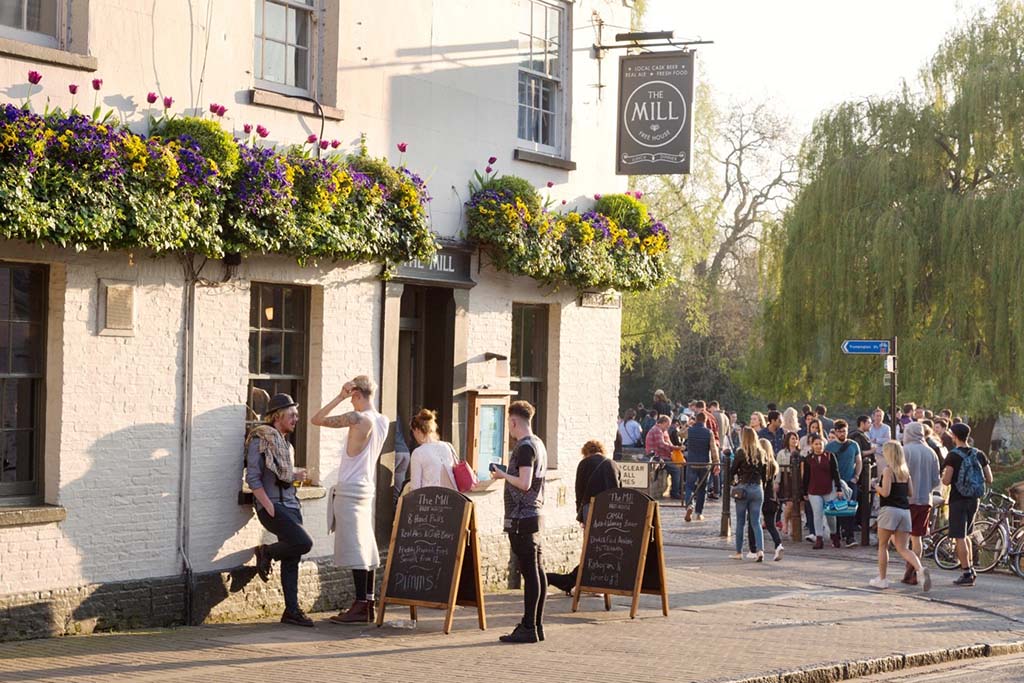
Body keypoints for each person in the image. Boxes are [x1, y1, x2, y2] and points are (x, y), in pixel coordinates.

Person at [313, 376, 389, 625]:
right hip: (367, 488)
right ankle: (368, 602)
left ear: (356, 393)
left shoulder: (358, 419)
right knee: (366, 546)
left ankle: (360, 605)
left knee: (357, 548)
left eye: (351, 393)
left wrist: (339, 397)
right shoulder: (382, 420)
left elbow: (317, 419)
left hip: (350, 490)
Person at [247, 393, 314, 627]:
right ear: (278, 416)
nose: (296, 418)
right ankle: (266, 552)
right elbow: (253, 479)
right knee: (304, 542)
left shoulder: (287, 445)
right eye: (292, 414)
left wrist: (295, 478)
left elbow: (284, 477)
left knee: (293, 556)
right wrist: (268, 507)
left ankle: (291, 611)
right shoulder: (260, 441)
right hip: (273, 506)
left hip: (291, 505)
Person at [491, 400, 548, 643]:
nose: (510, 432)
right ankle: (536, 625)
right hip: (534, 514)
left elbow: (524, 483)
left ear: (514, 422)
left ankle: (528, 626)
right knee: (537, 570)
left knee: (530, 571)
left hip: (522, 517)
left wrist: (502, 474)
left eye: (509, 426)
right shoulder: (539, 444)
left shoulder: (525, 448)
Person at [547, 440, 620, 594]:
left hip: (590, 508)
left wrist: (580, 515)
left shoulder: (584, 464)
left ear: (586, 452)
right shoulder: (613, 464)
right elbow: (619, 491)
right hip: (612, 511)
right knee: (605, 547)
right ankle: (598, 584)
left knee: (590, 546)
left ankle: (579, 581)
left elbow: (579, 491)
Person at [869, 441, 931, 591]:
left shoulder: (888, 471)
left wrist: (874, 485)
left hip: (889, 510)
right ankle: (919, 569)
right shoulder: (905, 471)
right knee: (903, 547)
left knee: (883, 545)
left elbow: (886, 492)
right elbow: (910, 493)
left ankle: (882, 579)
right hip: (904, 511)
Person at [942, 422, 993, 587]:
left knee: (959, 536)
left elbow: (947, 480)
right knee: (967, 534)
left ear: (955, 436)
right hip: (974, 499)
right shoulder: (979, 454)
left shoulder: (953, 455)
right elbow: (990, 478)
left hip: (958, 499)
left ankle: (966, 572)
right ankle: (971, 568)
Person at [901, 422, 941, 585]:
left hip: (907, 500)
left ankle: (912, 570)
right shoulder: (931, 452)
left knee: (901, 540)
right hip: (925, 499)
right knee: (917, 537)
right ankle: (912, 571)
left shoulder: (905, 450)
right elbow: (935, 480)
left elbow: (899, 475)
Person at [730, 427, 767, 562]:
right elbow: (765, 474)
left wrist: (734, 483)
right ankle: (760, 550)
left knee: (740, 522)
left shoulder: (741, 453)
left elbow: (732, 471)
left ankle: (739, 552)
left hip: (743, 489)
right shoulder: (761, 453)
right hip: (757, 488)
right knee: (756, 522)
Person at [802, 434, 844, 549]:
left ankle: (834, 535)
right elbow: (806, 476)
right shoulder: (809, 459)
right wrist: (804, 492)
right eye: (816, 444)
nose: (818, 446)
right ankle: (819, 538)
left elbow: (836, 473)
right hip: (814, 490)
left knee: (831, 515)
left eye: (820, 444)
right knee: (817, 513)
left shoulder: (830, 456)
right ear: (812, 445)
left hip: (828, 489)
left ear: (824, 444)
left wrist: (839, 488)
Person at [825, 420, 862, 547]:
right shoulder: (829, 447)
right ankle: (837, 534)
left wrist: (856, 476)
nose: (842, 433)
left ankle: (850, 536)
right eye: (839, 431)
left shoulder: (853, 445)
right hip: (836, 482)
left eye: (844, 431)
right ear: (835, 432)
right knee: (837, 509)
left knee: (850, 508)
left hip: (850, 480)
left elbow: (859, 461)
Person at [407, 409, 458, 491]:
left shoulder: (418, 453)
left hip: (430, 499)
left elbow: (415, 487)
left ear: (417, 430)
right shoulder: (447, 446)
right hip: (453, 497)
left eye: (413, 432)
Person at [683, 412, 720, 522]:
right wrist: (716, 462)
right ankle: (698, 513)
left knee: (689, 486)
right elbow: (714, 449)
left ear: (696, 420)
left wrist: (688, 424)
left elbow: (680, 434)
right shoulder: (709, 432)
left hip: (692, 462)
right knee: (702, 489)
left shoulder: (690, 430)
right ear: (705, 420)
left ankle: (689, 505)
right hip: (705, 464)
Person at [646, 415, 680, 499]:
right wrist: (675, 448)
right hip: (658, 456)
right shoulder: (657, 430)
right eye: (667, 425)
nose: (668, 427)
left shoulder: (663, 430)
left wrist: (674, 448)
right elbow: (661, 444)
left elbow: (668, 442)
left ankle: (674, 490)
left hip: (664, 456)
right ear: (663, 422)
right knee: (677, 469)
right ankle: (674, 492)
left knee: (679, 465)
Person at [776, 431, 801, 537]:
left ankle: (792, 525)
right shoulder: (782, 453)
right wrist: (777, 482)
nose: (794, 440)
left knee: (796, 505)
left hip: (798, 480)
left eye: (796, 438)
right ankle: (785, 522)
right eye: (792, 438)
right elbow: (778, 469)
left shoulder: (801, 452)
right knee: (789, 503)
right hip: (786, 479)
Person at [709, 401, 731, 499]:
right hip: (722, 445)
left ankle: (715, 491)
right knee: (719, 469)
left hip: (715, 444)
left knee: (715, 469)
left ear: (713, 407)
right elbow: (728, 433)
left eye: (709, 409)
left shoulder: (713, 416)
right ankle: (719, 490)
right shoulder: (726, 417)